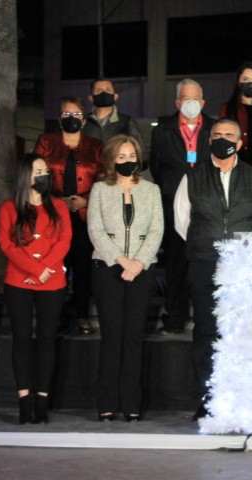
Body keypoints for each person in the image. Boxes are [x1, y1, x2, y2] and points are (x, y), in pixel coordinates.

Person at [174, 119, 252, 421]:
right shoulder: (192, 177)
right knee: (207, 331)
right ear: (209, 141)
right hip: (205, 261)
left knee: (243, 333)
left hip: (243, 264)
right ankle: (209, 398)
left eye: (228, 135)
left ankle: (246, 398)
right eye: (216, 135)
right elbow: (183, 223)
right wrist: (209, 245)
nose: (222, 139)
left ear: (240, 143)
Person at [88, 134, 164, 422]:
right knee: (111, 337)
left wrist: (138, 263)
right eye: (121, 156)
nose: (127, 161)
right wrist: (121, 260)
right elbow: (95, 229)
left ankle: (132, 403)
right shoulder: (99, 190)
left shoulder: (151, 190)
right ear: (110, 160)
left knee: (133, 337)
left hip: (142, 271)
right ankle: (107, 402)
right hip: (108, 268)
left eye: (131, 155)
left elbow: (157, 230)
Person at [0, 153, 72, 424]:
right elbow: (7, 245)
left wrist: (43, 270)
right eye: (38, 171)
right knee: (21, 340)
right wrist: (34, 269)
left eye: (45, 171)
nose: (44, 175)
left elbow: (64, 241)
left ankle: (42, 400)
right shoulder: (9, 208)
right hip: (18, 281)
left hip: (52, 281)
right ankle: (24, 400)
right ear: (24, 176)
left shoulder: (59, 207)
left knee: (46, 339)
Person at [150, 79, 216, 335]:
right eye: (185, 99)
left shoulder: (214, 128)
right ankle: (175, 317)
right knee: (175, 265)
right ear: (177, 102)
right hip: (173, 205)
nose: (190, 103)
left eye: (195, 98)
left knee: (205, 265)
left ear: (202, 102)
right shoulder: (162, 130)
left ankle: (205, 320)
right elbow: (156, 167)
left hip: (206, 206)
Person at [34, 96, 102, 335]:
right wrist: (55, 201)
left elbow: (103, 180)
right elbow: (36, 174)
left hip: (84, 215)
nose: (70, 118)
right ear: (59, 118)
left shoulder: (95, 146)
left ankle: (82, 315)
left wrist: (86, 200)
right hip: (54, 214)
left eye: (75, 115)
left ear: (83, 121)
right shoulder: (46, 141)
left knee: (83, 267)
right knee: (56, 264)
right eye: (65, 114)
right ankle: (54, 315)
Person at [219, 62, 252, 172]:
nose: (250, 83)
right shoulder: (227, 109)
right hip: (236, 169)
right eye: (245, 79)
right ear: (238, 82)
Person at [82, 78, 146, 151]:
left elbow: (140, 151)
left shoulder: (127, 122)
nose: (103, 93)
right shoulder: (83, 122)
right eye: (99, 90)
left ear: (115, 96)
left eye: (108, 90)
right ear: (91, 98)